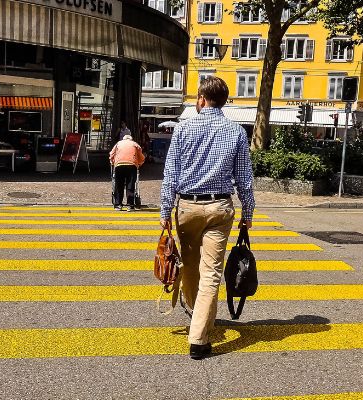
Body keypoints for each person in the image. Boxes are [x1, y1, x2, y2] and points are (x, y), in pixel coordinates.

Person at [159, 76, 255, 360]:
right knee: (211, 272)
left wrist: (165, 211)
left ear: (201, 99)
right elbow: (244, 179)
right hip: (219, 209)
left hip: (187, 207)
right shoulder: (236, 131)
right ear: (223, 101)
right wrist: (248, 212)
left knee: (190, 267)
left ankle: (196, 317)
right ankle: (200, 335)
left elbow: (170, 175)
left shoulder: (183, 128)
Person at [109, 134, 145, 211]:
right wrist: (139, 163)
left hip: (119, 165)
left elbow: (111, 154)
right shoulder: (135, 144)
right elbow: (141, 157)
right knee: (130, 185)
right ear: (131, 139)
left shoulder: (118, 144)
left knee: (119, 185)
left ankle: (118, 205)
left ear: (123, 139)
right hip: (132, 165)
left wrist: (112, 162)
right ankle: (130, 205)